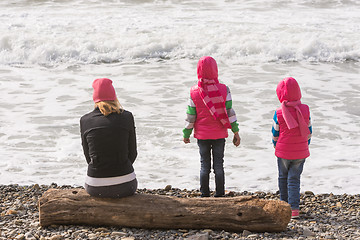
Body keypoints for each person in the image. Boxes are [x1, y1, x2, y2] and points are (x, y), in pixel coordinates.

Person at [183, 56, 241, 197]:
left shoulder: (194, 91)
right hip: (219, 135)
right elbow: (229, 112)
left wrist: (186, 133)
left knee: (204, 166)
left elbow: (191, 116)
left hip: (202, 136)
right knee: (219, 166)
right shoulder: (224, 89)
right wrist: (236, 132)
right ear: (216, 70)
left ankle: (204, 194)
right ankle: (220, 194)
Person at [80, 78, 138, 198]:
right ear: (114, 96)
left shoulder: (85, 120)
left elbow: (88, 157)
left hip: (95, 186)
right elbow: (133, 154)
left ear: (94, 98)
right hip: (126, 184)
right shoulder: (127, 117)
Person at [271, 77, 312, 218]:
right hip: (301, 152)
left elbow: (275, 133)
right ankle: (294, 209)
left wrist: (276, 146)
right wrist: (305, 146)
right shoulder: (305, 109)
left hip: (283, 151)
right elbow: (309, 131)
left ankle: (284, 206)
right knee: (294, 179)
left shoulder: (278, 112)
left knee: (283, 177)